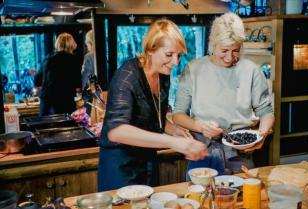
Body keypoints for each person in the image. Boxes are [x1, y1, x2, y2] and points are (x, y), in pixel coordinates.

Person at [97, 19, 208, 191]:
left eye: (179, 55)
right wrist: (173, 142)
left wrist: (174, 130)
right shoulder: (127, 77)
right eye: (169, 54)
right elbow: (116, 131)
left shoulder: (163, 75)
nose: (176, 62)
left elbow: (153, 117)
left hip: (147, 158)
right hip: (120, 165)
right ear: (150, 49)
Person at [172, 13, 275, 179]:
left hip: (240, 155)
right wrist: (200, 127)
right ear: (213, 43)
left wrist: (261, 134)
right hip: (201, 152)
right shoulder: (194, 69)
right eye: (224, 50)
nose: (229, 58)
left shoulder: (251, 70)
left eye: (235, 51)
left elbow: (266, 112)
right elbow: (178, 115)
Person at [37, 32, 82, 116]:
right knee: (65, 126)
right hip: (65, 102)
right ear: (72, 44)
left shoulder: (48, 58)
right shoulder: (74, 60)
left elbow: (37, 80)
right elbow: (78, 83)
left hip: (47, 103)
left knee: (45, 126)